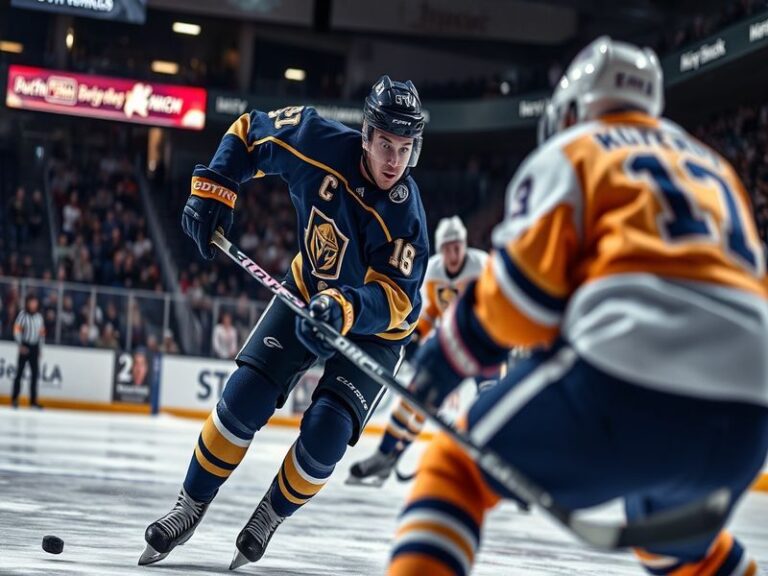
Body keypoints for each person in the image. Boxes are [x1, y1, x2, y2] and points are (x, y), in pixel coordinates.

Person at [387, 37, 768, 576]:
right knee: (672, 544)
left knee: (456, 467)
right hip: (749, 413)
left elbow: (516, 306)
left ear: (572, 107)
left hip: (626, 378)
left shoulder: (575, 150)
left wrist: (439, 365)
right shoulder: (714, 166)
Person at [140, 75, 428, 569]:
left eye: (405, 149)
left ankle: (269, 515)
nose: (393, 161)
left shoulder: (407, 217)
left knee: (326, 434)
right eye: (385, 144)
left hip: (374, 333)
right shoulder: (316, 140)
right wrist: (216, 188)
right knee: (244, 397)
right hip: (306, 294)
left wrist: (344, 309)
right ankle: (188, 507)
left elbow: (398, 298)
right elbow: (250, 131)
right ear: (366, 135)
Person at [347, 215, 489, 486]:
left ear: (465, 244)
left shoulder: (482, 266)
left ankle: (501, 469)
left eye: (457, 245)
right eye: (447, 247)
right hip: (452, 344)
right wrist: (415, 338)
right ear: (440, 248)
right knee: (415, 398)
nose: (453, 253)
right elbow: (431, 314)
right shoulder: (432, 271)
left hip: (485, 344)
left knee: (492, 400)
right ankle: (385, 456)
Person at [11, 294, 45, 409]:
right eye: (31, 302)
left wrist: (40, 348)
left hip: (35, 348)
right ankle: (15, 399)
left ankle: (33, 401)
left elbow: (41, 334)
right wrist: (20, 344)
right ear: (27, 303)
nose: (33, 304)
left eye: (35, 302)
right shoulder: (22, 315)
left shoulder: (39, 317)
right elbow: (16, 330)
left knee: (35, 375)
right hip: (25, 346)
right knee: (19, 374)